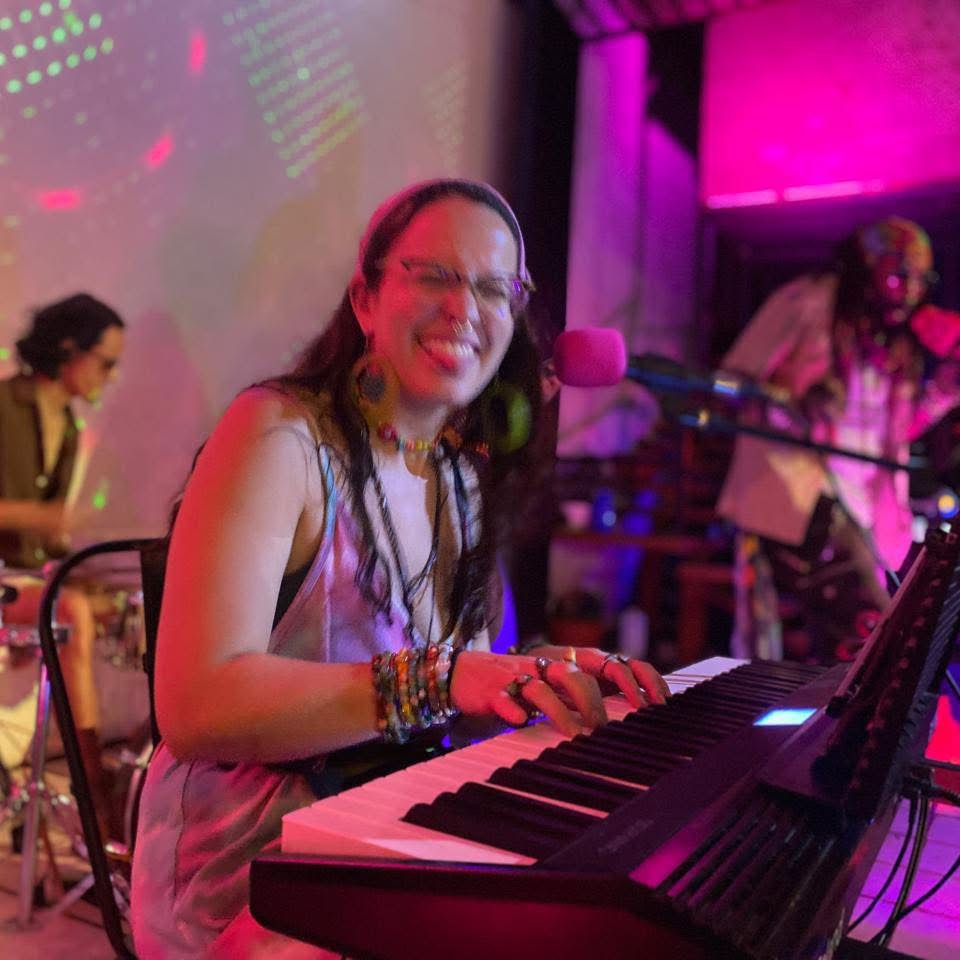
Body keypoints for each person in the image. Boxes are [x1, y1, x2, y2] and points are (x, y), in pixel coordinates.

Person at [130, 178, 668, 958]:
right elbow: (195, 704)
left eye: (491, 287)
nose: (464, 309)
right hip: (251, 874)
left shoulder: (460, 473)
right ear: (365, 299)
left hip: (390, 834)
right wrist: (444, 678)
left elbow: (460, 690)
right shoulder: (277, 434)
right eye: (435, 276)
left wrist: (534, 675)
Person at [717, 217, 960, 662]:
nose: (908, 290)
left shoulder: (896, 341)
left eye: (920, 280)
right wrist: (787, 401)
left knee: (852, 649)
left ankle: (826, 728)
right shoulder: (808, 301)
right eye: (896, 274)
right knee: (873, 637)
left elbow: (894, 438)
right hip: (799, 494)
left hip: (865, 507)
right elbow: (729, 383)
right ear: (864, 266)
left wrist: (945, 391)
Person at [0, 293, 126, 836]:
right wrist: (46, 516)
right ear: (70, 349)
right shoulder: (4, 405)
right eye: (107, 362)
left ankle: (130, 777)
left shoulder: (71, 428)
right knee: (71, 610)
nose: (110, 377)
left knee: (114, 594)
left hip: (19, 577)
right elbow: (33, 524)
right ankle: (93, 786)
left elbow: (44, 544)